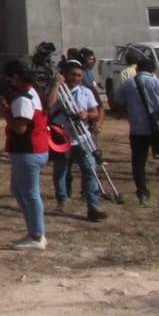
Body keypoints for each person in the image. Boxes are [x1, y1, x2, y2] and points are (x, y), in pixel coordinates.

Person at [46, 58, 107, 222]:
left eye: (79, 75)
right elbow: (49, 106)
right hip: (61, 136)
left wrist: (86, 115)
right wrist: (56, 85)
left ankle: (93, 206)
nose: (76, 78)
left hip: (82, 137)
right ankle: (62, 199)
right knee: (61, 171)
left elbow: (95, 111)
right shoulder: (57, 89)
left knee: (90, 170)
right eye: (73, 74)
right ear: (65, 74)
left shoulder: (85, 92)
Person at [0, 59, 50, 249]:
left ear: (15, 78)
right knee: (19, 190)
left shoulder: (23, 98)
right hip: (35, 149)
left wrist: (5, 112)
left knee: (30, 193)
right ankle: (34, 232)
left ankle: (37, 236)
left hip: (27, 150)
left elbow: (20, 127)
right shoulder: (35, 93)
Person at [114, 51, 159, 205]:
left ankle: (142, 193)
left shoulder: (128, 84)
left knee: (139, 162)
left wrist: (128, 112)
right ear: (152, 70)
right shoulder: (155, 82)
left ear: (137, 69)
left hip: (137, 129)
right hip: (156, 128)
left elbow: (118, 101)